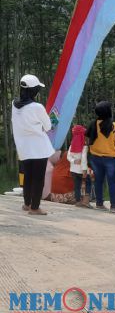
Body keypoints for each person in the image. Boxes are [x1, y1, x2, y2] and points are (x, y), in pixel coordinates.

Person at [12, 75, 56, 215]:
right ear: (34, 91)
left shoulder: (14, 104)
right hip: (38, 148)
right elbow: (48, 126)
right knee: (38, 179)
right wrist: (53, 119)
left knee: (28, 176)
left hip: (24, 148)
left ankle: (27, 204)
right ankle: (35, 208)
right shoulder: (37, 107)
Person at [86, 101, 115, 213]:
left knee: (98, 181)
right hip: (111, 159)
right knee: (112, 182)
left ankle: (99, 204)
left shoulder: (93, 124)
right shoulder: (114, 126)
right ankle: (113, 206)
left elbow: (88, 140)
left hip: (95, 158)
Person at [67, 125, 91, 208]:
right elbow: (84, 159)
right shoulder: (84, 146)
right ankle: (85, 201)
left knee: (77, 185)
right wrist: (84, 170)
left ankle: (78, 201)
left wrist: (74, 161)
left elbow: (68, 156)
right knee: (88, 183)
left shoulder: (71, 145)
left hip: (73, 170)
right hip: (81, 170)